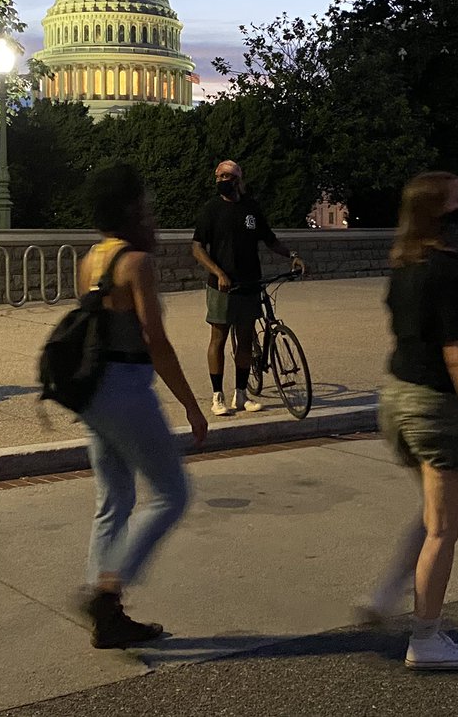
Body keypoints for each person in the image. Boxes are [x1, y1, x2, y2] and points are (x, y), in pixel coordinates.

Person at [362, 171, 458, 671]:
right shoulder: (447, 270)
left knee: (432, 514)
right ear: (438, 212)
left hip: (398, 399)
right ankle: (425, 637)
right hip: (435, 407)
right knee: (444, 528)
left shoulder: (405, 263)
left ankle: (386, 594)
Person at [75, 164, 208, 649]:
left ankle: (105, 616)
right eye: (146, 203)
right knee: (173, 492)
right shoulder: (137, 264)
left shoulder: (91, 259)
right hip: (127, 387)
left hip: (91, 390)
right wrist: (192, 406)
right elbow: (157, 343)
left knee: (114, 501)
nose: (152, 210)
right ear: (133, 208)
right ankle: (106, 591)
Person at [191, 160, 305, 416]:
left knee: (245, 339)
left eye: (227, 176)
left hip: (249, 282)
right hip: (222, 286)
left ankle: (241, 394)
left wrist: (292, 256)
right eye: (219, 175)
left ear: (238, 179)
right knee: (218, 338)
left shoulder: (251, 209)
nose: (222, 179)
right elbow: (197, 247)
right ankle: (217, 395)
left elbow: (270, 240)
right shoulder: (211, 209)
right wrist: (218, 272)